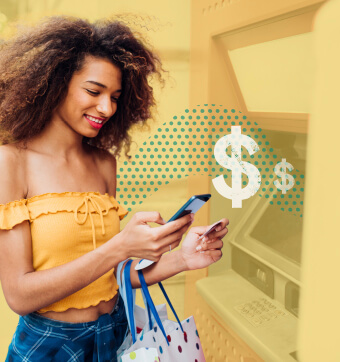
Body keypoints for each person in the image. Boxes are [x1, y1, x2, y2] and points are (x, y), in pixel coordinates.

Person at [0, 16, 228, 361]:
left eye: (115, 97)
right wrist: (121, 246)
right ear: (55, 82)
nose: (106, 108)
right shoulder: (11, 162)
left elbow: (110, 276)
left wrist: (181, 258)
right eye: (93, 91)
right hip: (51, 345)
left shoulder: (104, 163)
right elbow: (19, 295)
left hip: (115, 334)